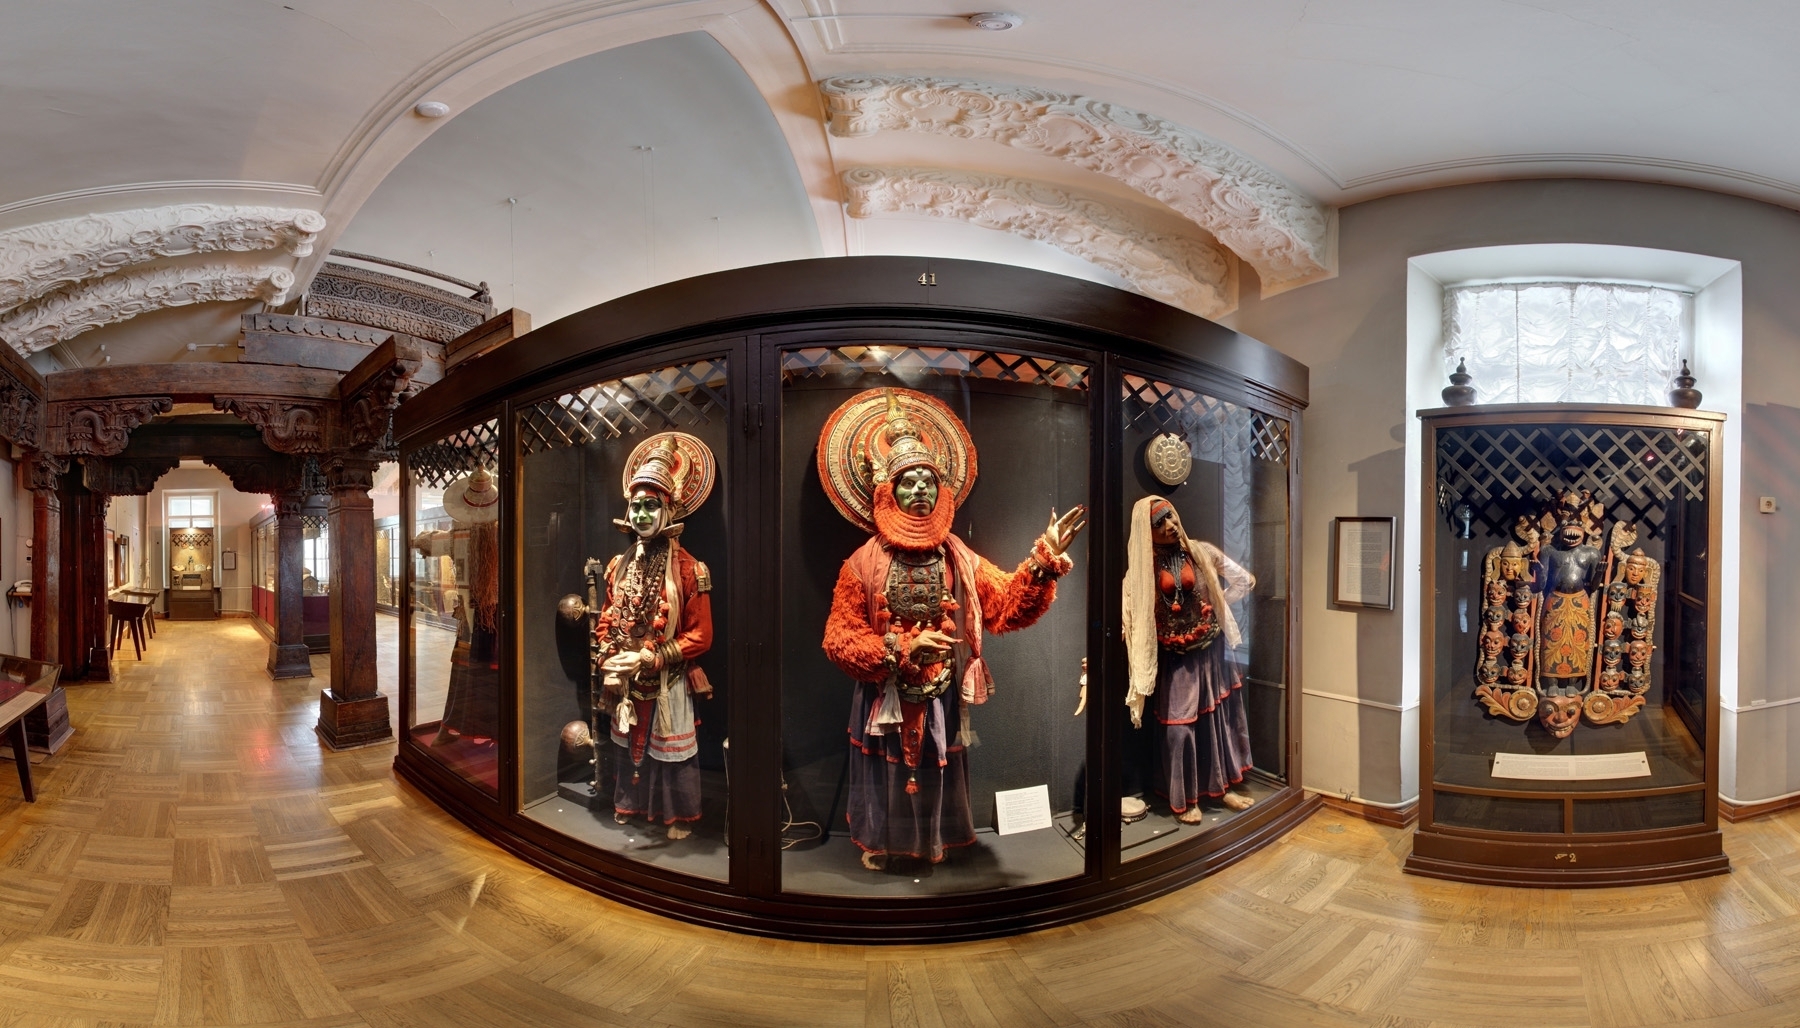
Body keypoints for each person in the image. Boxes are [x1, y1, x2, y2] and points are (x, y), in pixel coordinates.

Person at [820, 389, 1085, 870]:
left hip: (940, 692)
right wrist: (900, 648)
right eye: (909, 482)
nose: (920, 489)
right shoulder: (862, 563)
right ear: (888, 491)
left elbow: (1005, 605)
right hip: (886, 694)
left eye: (928, 480)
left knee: (933, 769)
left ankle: (932, 843)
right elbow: (839, 640)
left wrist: (1043, 562)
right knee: (887, 773)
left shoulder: (957, 556)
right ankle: (886, 843)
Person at [585, 432, 716, 839]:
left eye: (651, 505)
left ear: (670, 509)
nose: (641, 514)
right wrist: (610, 659)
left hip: (666, 679)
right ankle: (631, 805)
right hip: (624, 680)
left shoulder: (690, 569)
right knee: (626, 744)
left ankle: (674, 816)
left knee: (668, 750)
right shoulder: (617, 566)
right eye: (636, 505)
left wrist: (650, 658)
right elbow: (607, 618)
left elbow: (701, 635)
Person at [1123, 496, 1256, 822]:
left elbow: (1245, 581)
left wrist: (1217, 605)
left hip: (1212, 651)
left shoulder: (1201, 552)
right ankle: (1187, 799)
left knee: (1217, 719)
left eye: (1170, 517)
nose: (1170, 526)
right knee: (1179, 730)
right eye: (1159, 523)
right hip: (1176, 661)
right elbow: (1129, 617)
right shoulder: (1140, 572)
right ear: (1145, 531)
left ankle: (1223, 790)